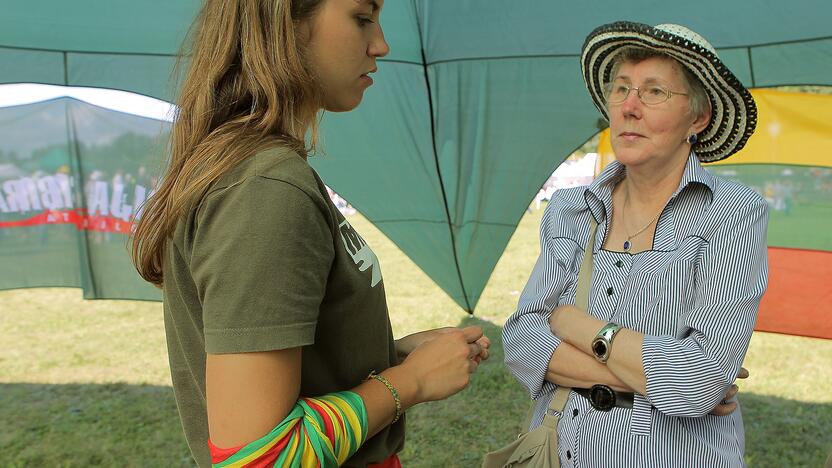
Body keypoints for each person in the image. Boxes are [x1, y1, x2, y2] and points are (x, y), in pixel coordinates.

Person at [130, 1, 490, 466]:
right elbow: (259, 458)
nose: (380, 45)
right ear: (287, 23)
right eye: (362, 17)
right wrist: (411, 382)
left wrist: (390, 355)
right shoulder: (265, 189)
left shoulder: (262, 172)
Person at [503, 22, 767, 467]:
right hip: (560, 453)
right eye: (621, 88)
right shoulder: (572, 208)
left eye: (654, 92)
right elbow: (520, 340)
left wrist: (579, 327)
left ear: (697, 118)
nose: (628, 107)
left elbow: (700, 378)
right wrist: (645, 376)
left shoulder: (733, 213)